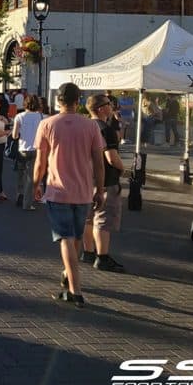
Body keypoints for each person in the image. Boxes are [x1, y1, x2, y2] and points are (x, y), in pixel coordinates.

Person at [33, 82, 105, 308]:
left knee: (65, 238)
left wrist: (36, 183)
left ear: (58, 101)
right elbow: (99, 162)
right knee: (74, 237)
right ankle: (67, 271)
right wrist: (100, 189)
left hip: (58, 190)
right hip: (83, 191)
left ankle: (75, 291)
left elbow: (40, 161)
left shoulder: (47, 124)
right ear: (78, 101)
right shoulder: (91, 126)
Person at [81, 94, 126, 272]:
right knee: (103, 219)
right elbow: (111, 157)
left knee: (88, 218)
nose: (112, 106)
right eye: (109, 104)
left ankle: (88, 251)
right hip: (106, 179)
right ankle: (103, 256)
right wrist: (122, 169)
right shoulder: (105, 130)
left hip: (85, 178)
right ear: (101, 108)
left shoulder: (84, 127)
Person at [11, 94, 44, 210]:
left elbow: (14, 136)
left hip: (22, 149)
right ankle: (27, 203)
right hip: (35, 149)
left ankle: (19, 195)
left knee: (20, 173)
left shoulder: (19, 116)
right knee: (31, 177)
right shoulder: (40, 117)